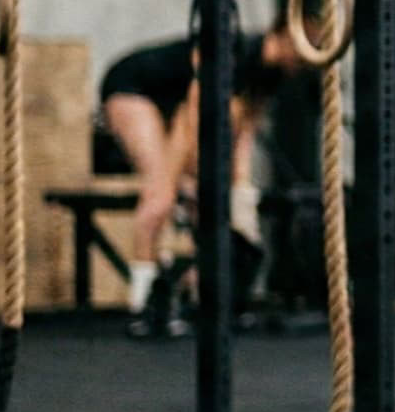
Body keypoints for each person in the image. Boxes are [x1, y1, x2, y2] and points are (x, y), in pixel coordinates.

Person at [97, 26, 303, 328]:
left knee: (207, 202)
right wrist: (182, 178)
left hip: (177, 107)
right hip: (132, 88)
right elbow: (191, 115)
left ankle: (195, 294)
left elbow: (243, 135)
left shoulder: (272, 76)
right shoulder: (237, 49)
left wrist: (240, 191)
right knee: (160, 196)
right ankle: (141, 302)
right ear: (286, 31)